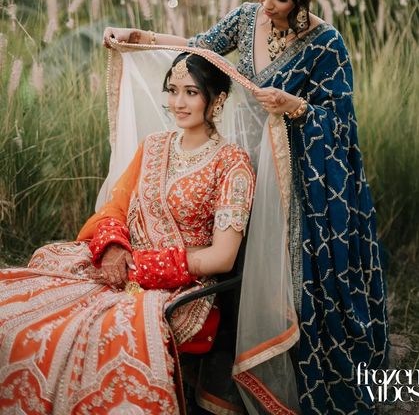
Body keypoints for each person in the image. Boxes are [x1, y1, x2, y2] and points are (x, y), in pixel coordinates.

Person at [103, 0, 388, 415]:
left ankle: (285, 381)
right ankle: (220, 382)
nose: (270, 4)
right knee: (232, 266)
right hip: (241, 163)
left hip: (299, 177)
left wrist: (295, 106)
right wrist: (138, 37)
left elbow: (340, 123)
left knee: (289, 281)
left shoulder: (326, 45)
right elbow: (199, 52)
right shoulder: (246, 18)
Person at [0, 53, 256, 414]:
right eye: (172, 91)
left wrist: (139, 268)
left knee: (83, 332)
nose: (177, 103)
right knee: (22, 306)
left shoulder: (233, 165)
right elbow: (114, 208)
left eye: (191, 93)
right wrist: (114, 250)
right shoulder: (153, 147)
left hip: (180, 285)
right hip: (119, 265)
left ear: (217, 100)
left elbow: (222, 257)